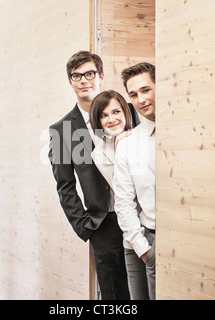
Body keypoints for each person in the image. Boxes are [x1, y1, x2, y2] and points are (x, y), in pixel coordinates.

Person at [48, 51, 139, 300]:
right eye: (76, 76)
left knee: (147, 289)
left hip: (140, 216)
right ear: (70, 82)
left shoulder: (126, 112)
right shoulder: (62, 129)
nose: (83, 80)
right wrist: (85, 226)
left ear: (100, 76)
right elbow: (64, 185)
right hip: (103, 223)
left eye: (89, 74)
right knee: (113, 292)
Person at [89, 90, 150, 300]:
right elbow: (125, 191)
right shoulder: (99, 153)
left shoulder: (146, 135)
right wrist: (121, 146)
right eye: (103, 115)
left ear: (126, 111)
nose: (111, 119)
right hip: (133, 232)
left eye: (116, 111)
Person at [113, 62, 156, 300]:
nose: (141, 99)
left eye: (146, 90)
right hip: (150, 240)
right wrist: (145, 251)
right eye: (133, 95)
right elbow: (124, 203)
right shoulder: (128, 145)